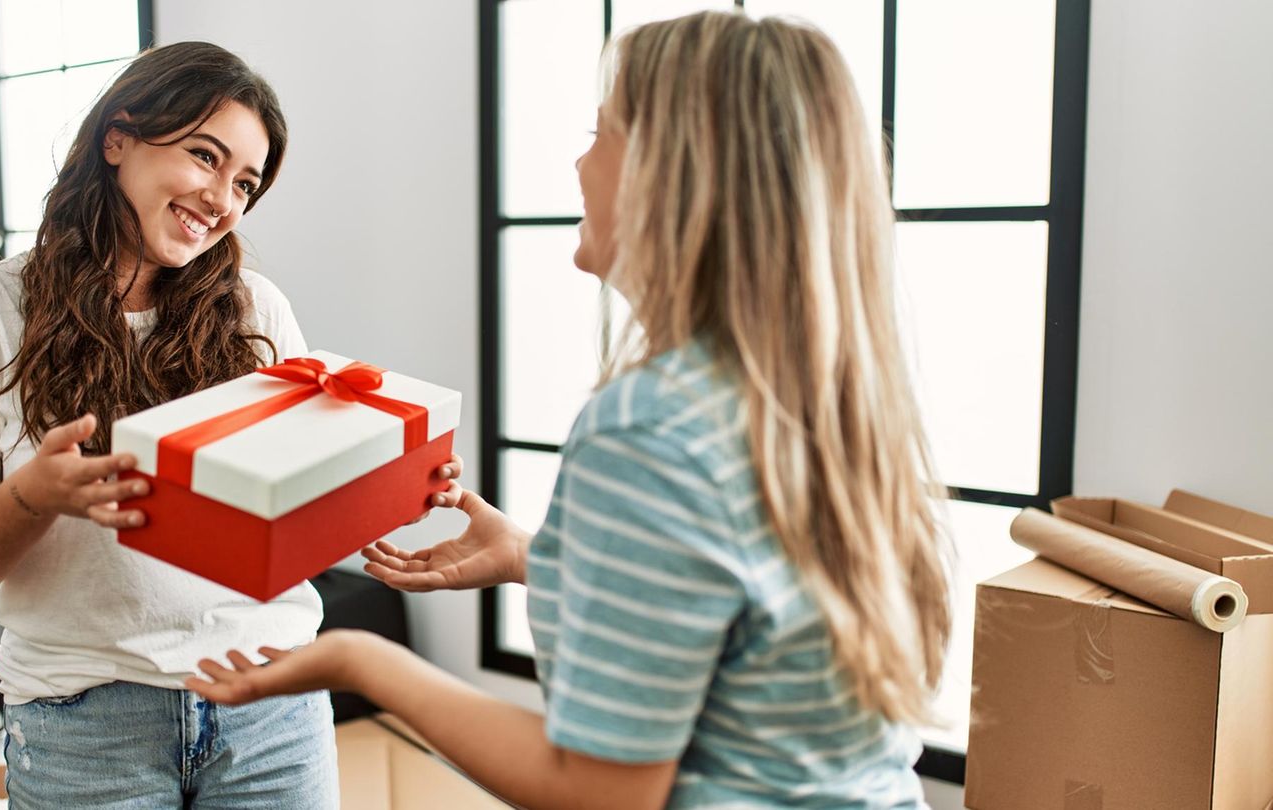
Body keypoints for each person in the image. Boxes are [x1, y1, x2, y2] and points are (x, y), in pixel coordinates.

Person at [188, 11, 952, 809]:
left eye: (601, 132)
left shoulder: (648, 426)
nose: (581, 161)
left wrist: (360, 661)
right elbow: (749, 630)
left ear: (673, 172)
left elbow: (600, 793)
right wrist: (535, 557)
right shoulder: (817, 394)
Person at [0, 41, 460, 808]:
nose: (223, 198)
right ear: (118, 138)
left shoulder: (257, 310)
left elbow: (277, 518)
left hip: (272, 707)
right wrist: (37, 495)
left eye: (246, 182)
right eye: (204, 156)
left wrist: (383, 487)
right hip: (83, 723)